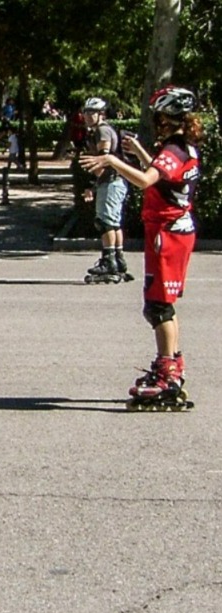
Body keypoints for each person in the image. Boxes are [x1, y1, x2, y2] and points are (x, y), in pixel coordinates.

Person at [80, 85, 202, 411]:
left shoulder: (173, 151)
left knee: (159, 306)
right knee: (161, 303)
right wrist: (141, 154)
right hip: (172, 230)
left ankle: (167, 371)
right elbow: (164, 178)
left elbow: (147, 181)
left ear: (165, 116)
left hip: (168, 232)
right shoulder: (181, 148)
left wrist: (112, 160)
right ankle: (171, 365)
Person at [79, 97, 132, 284]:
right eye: (85, 112)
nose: (86, 116)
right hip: (115, 181)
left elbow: (103, 159)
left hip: (110, 182)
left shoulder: (102, 131)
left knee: (105, 222)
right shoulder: (103, 129)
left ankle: (109, 261)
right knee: (113, 222)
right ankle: (118, 259)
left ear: (101, 114)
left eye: (91, 112)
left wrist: (90, 184)